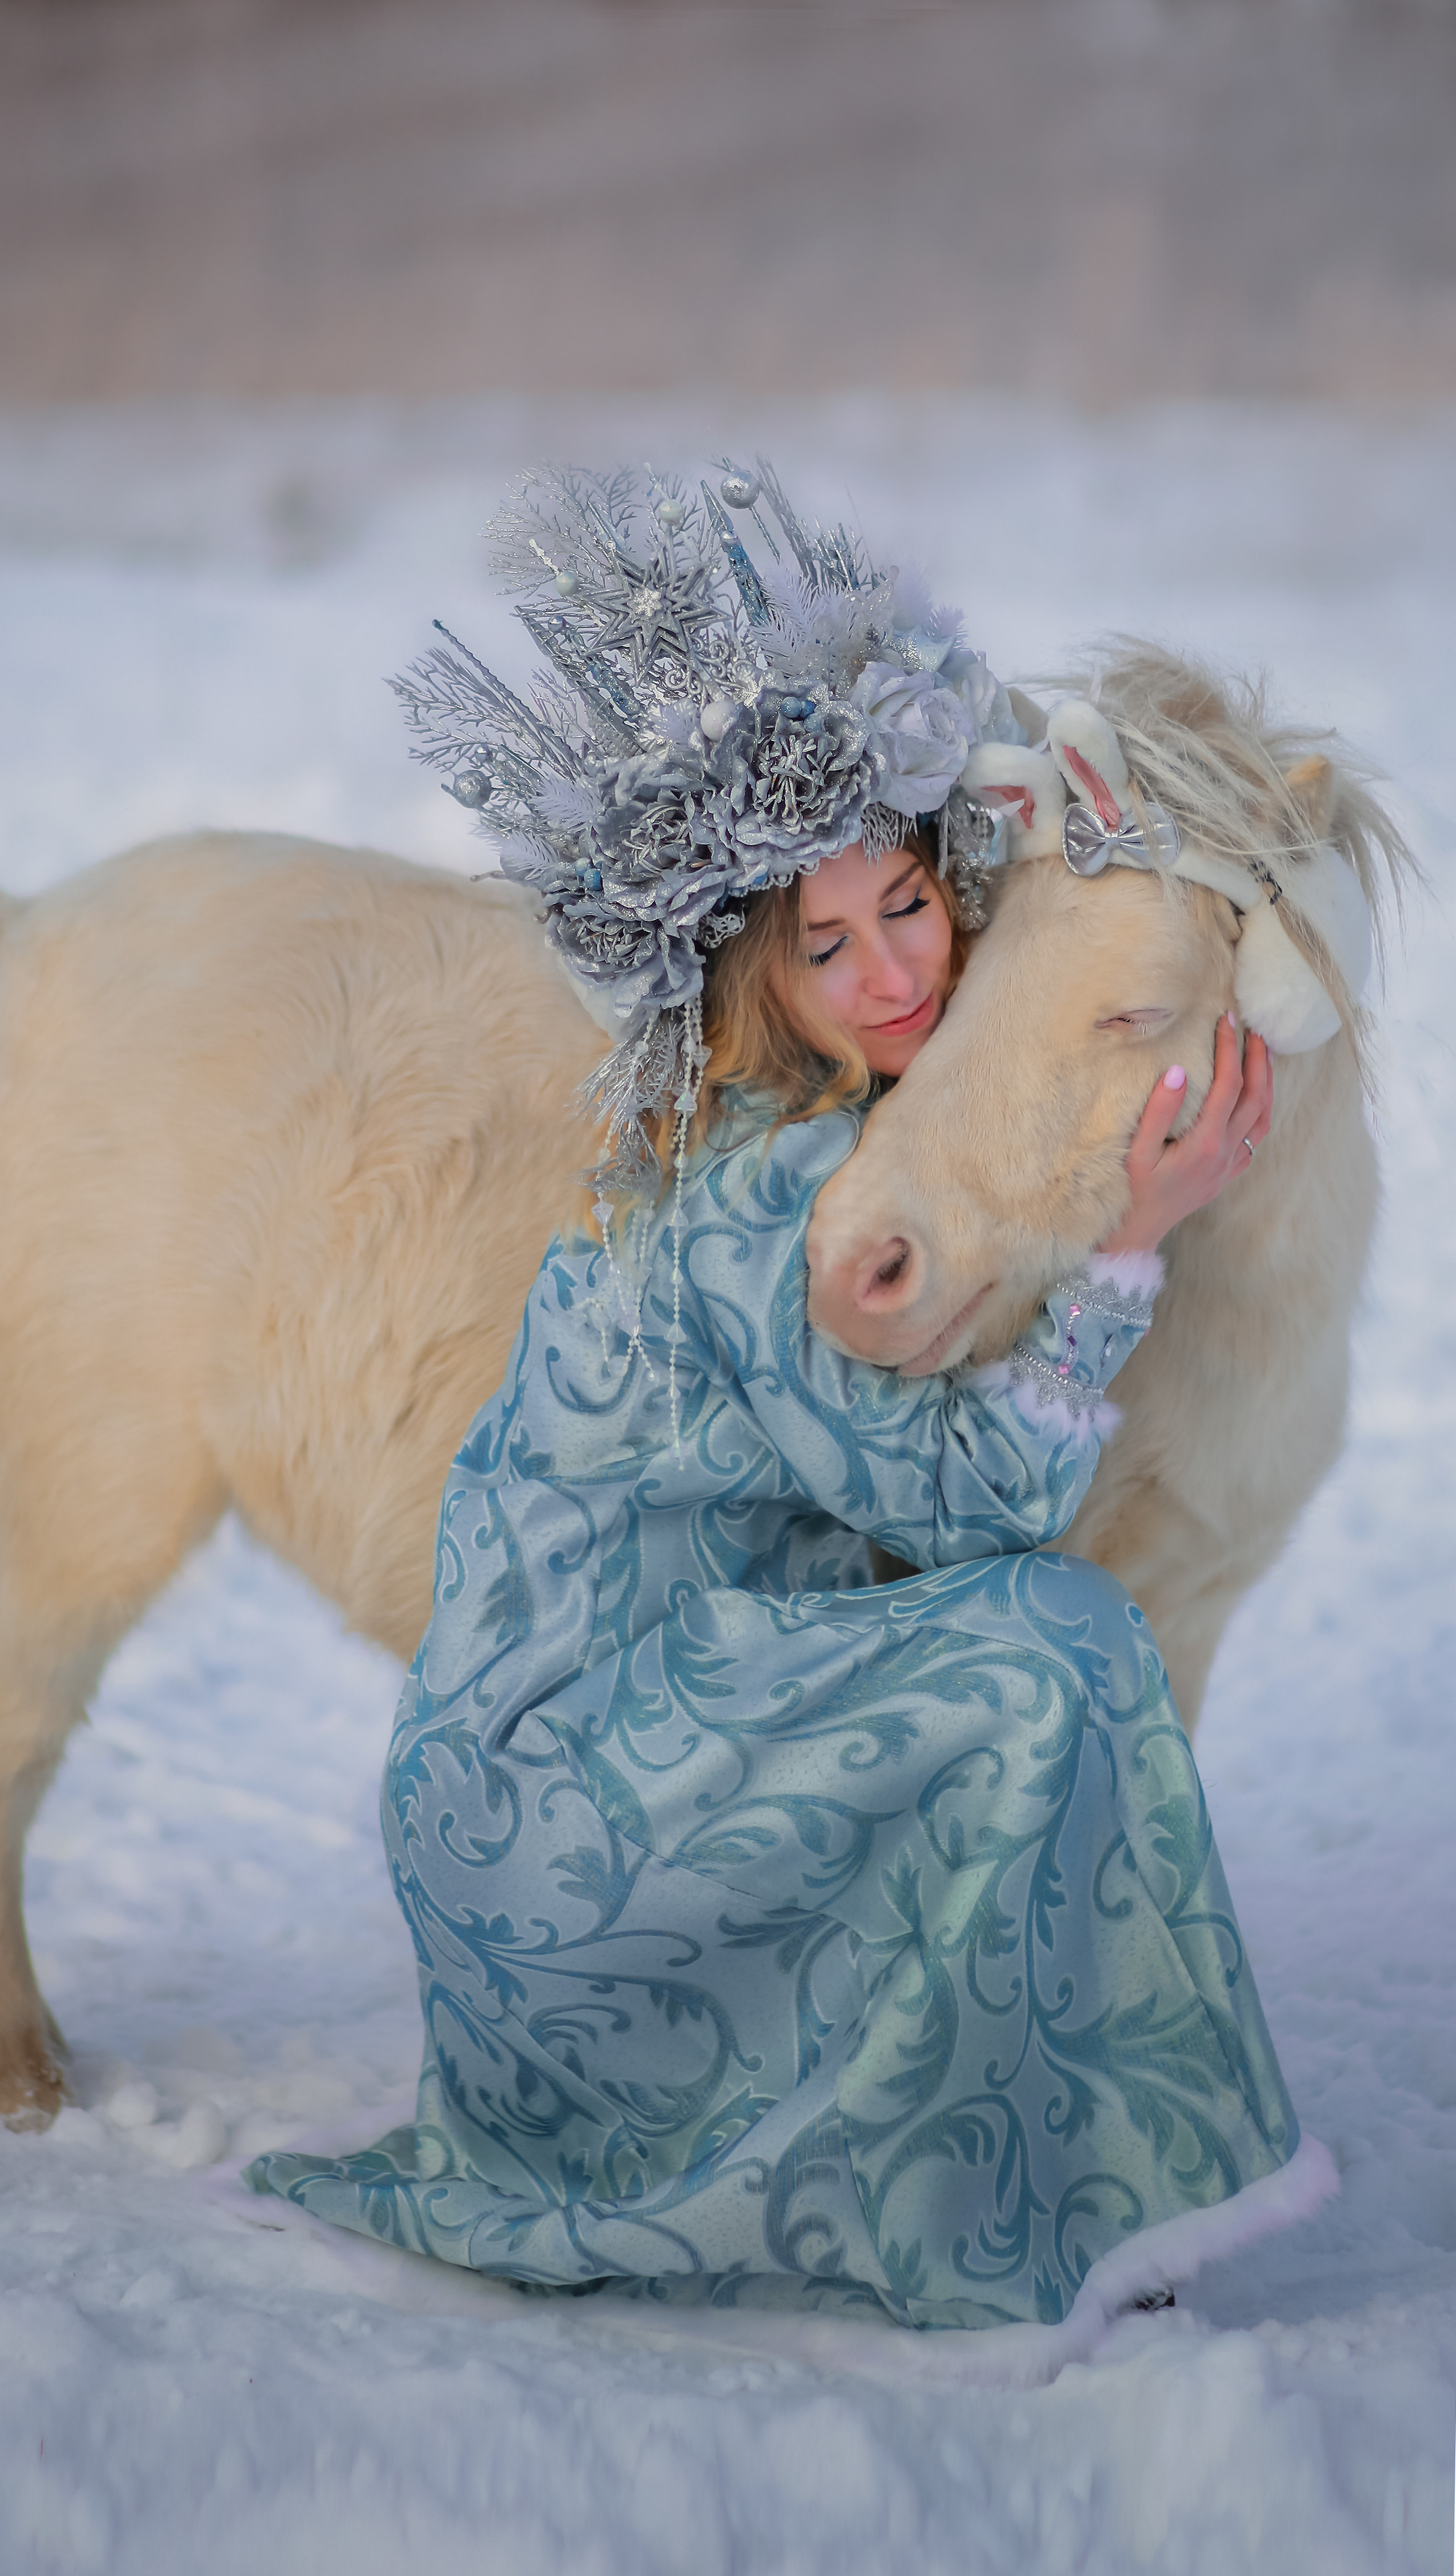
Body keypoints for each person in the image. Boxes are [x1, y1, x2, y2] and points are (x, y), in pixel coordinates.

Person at [243, 464, 1317, 2342]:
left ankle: (1012, 2138)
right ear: (762, 977)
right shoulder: (775, 1195)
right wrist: (1129, 1244)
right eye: (827, 948)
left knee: (1017, 1657)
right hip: (566, 1814)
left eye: (908, 903)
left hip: (620, 1742)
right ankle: (1008, 2217)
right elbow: (980, 1517)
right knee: (1047, 1645)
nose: (897, 969)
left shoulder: (828, 1127)